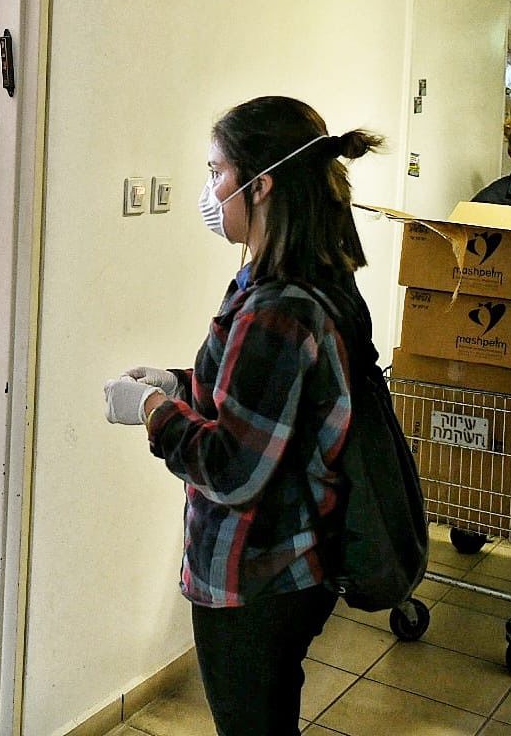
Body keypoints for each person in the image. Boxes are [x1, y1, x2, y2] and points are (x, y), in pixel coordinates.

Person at [102, 96, 384, 736]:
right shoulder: (302, 279)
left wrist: (152, 410)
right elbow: (264, 399)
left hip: (259, 575)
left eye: (216, 171)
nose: (208, 192)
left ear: (261, 186)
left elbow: (231, 470)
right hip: (293, 565)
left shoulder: (277, 307)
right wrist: (179, 383)